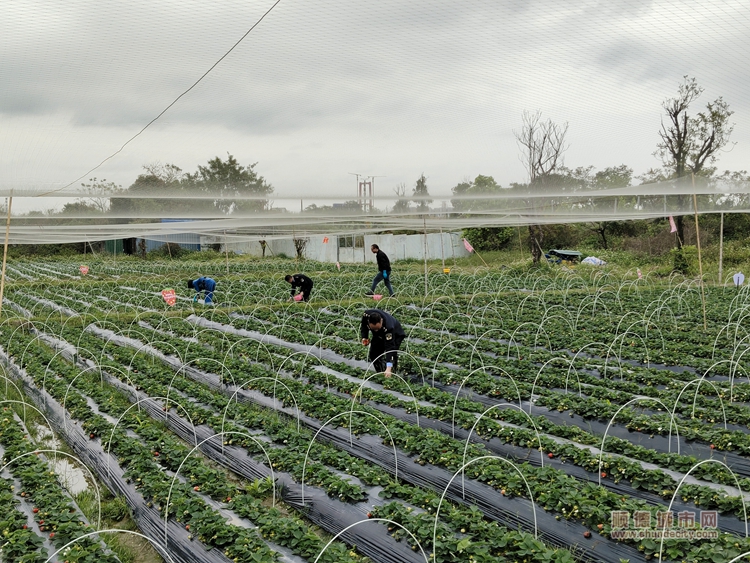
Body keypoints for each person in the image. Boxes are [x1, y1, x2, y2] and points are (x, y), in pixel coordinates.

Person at [360, 309, 405, 376]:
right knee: (373, 354)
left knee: (392, 353)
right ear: (369, 323)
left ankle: (391, 373)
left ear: (381, 321)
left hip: (396, 335)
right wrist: (365, 337)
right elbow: (364, 325)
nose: (376, 330)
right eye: (374, 329)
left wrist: (389, 367)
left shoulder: (389, 327)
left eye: (377, 328)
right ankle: (380, 372)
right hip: (379, 336)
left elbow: (390, 348)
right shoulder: (366, 315)